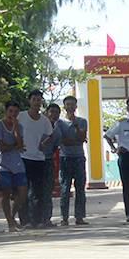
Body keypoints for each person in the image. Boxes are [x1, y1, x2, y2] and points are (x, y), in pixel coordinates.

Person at [18, 91, 56, 229]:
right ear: (29, 101)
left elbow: (50, 135)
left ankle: (38, 219)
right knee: (23, 191)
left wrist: (43, 144)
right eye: (34, 99)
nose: (36, 102)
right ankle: (25, 220)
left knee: (37, 191)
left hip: (39, 159)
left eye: (39, 100)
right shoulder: (21, 116)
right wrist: (18, 142)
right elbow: (12, 127)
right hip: (23, 157)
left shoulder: (45, 120)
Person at [55, 94, 89, 226]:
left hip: (79, 157)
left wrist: (75, 128)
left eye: (72, 104)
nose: (70, 107)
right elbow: (61, 141)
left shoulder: (82, 121)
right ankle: (64, 217)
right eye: (67, 104)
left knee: (80, 188)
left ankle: (79, 217)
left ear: (76, 106)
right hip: (65, 158)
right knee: (65, 188)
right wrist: (74, 140)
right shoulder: (60, 123)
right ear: (64, 107)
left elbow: (81, 138)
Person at [0, 101, 26, 232]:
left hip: (17, 163)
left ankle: (12, 216)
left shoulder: (20, 126)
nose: (13, 114)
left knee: (23, 193)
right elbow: (2, 147)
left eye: (16, 112)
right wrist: (15, 147)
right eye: (10, 111)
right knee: (6, 193)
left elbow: (20, 143)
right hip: (3, 164)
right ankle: (9, 221)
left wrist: (16, 128)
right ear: (6, 111)